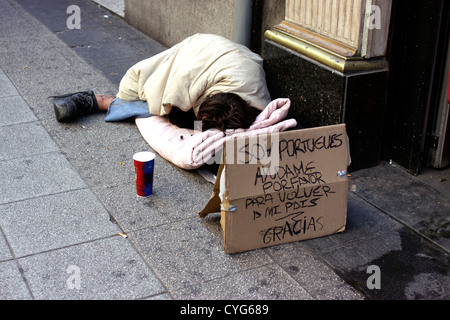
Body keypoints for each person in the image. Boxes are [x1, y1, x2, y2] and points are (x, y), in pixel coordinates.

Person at [51, 33, 271, 131]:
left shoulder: (254, 102)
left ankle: (98, 102)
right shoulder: (189, 79)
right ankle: (98, 100)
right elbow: (173, 110)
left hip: (232, 59)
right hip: (200, 50)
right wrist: (191, 119)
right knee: (155, 103)